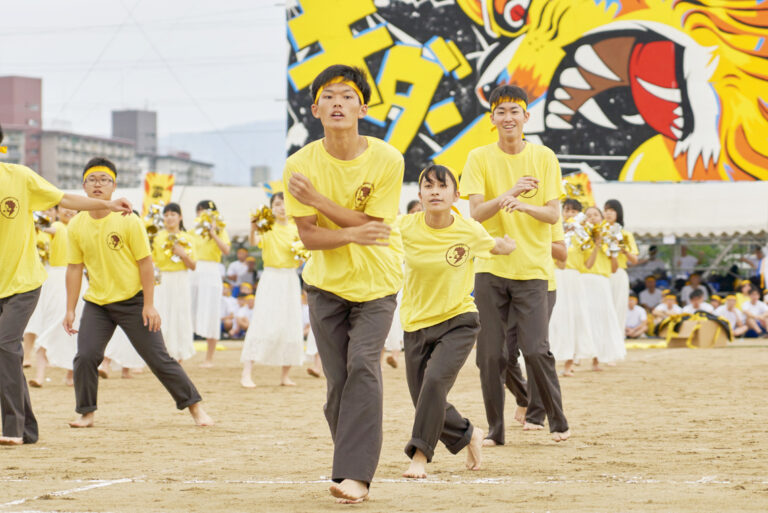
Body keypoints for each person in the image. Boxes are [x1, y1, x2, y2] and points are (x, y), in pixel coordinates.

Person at [283, 64, 404, 503]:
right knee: (337, 384)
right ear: (315, 108)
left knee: (363, 367)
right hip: (325, 287)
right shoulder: (299, 164)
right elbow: (310, 237)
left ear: (362, 107)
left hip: (377, 284)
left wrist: (318, 201)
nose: (338, 103)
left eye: (347, 95)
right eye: (329, 96)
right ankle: (352, 460)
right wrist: (352, 232)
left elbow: (376, 224)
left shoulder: (388, 158)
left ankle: (355, 476)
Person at [0, 129, 133, 446]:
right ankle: (27, 429)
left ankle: (11, 428)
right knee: (6, 353)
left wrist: (109, 205)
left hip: (23, 282)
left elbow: (64, 198)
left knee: (5, 346)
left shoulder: (19, 177)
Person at [63, 158, 212, 429]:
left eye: (104, 180)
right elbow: (74, 268)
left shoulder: (128, 220)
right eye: (92, 179)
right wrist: (70, 309)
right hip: (98, 304)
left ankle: (195, 408)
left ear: (114, 186)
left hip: (133, 301)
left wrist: (149, 304)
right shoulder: (76, 225)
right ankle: (86, 413)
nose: (98, 185)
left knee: (159, 358)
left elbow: (146, 263)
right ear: (83, 186)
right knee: (85, 356)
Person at [459, 83, 569, 447]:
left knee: (536, 348)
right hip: (490, 268)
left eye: (514, 111)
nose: (508, 118)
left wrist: (523, 205)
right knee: (491, 356)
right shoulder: (478, 157)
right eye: (501, 112)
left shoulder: (544, 157)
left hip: (534, 269)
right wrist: (508, 195)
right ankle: (496, 430)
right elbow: (475, 212)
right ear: (492, 119)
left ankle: (557, 419)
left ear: (526, 116)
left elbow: (553, 212)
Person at [398, 164, 516, 479]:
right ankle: (469, 434)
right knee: (425, 398)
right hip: (415, 325)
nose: (435, 191)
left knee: (434, 383)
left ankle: (419, 457)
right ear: (419, 194)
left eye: (442, 186)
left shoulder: (469, 229)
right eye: (428, 186)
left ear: (455, 194)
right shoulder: (403, 227)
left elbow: (494, 247)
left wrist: (505, 246)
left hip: (458, 320)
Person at [241, 192, 305, 388]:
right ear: (272, 207)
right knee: (262, 320)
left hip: (290, 279)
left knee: (291, 323)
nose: (282, 208)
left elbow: (304, 254)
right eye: (277, 204)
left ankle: (285, 375)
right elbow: (253, 243)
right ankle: (247, 372)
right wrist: (252, 228)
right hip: (271, 277)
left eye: (285, 204)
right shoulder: (267, 226)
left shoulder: (297, 228)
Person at [29, 205, 80, 387]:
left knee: (75, 328)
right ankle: (40, 375)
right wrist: (35, 221)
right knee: (51, 324)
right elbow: (45, 228)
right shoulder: (57, 227)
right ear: (57, 212)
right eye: (64, 208)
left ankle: (70, 375)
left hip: (79, 280)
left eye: (71, 209)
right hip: (58, 279)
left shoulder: (81, 229)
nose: (68, 211)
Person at [548, 199, 595, 377]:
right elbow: (559, 263)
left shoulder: (583, 236)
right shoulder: (555, 231)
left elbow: (588, 264)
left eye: (574, 212)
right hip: (556, 276)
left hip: (574, 279)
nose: (569, 214)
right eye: (567, 210)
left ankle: (570, 362)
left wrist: (596, 243)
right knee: (554, 318)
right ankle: (551, 360)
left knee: (575, 318)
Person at [580, 206, 625, 370]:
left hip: (602, 282)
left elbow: (614, 268)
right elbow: (586, 264)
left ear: (601, 217)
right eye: (588, 215)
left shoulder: (611, 236)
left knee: (602, 320)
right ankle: (577, 356)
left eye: (595, 214)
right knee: (584, 319)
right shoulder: (581, 237)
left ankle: (597, 359)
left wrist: (612, 250)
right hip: (584, 280)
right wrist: (596, 244)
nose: (592, 217)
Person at [152, 203, 196, 362]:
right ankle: (161, 353)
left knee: (180, 315)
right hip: (162, 279)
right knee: (161, 314)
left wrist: (183, 254)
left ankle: (178, 353)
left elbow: (193, 266)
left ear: (180, 217)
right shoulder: (156, 237)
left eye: (173, 214)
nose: (169, 218)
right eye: (166, 214)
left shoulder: (188, 238)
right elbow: (152, 261)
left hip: (181, 278)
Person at [190, 200, 231, 367]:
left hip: (212, 270)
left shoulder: (220, 231)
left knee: (212, 313)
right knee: (189, 310)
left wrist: (213, 233)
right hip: (194, 270)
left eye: (209, 211)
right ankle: (181, 354)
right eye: (201, 211)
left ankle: (209, 358)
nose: (205, 214)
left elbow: (226, 250)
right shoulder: (192, 232)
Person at [21, 206, 57, 367]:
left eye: (50, 210)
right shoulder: (34, 230)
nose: (47, 213)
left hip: (53, 277)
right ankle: (27, 355)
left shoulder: (60, 230)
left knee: (52, 316)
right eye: (44, 211)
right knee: (33, 317)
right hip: (34, 276)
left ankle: (48, 353)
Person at [604, 199, 639, 335]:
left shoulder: (625, 235)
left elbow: (634, 259)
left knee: (618, 307)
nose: (608, 213)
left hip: (618, 273)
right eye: (606, 210)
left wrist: (623, 249)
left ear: (618, 213)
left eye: (612, 210)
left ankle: (617, 338)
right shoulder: (599, 232)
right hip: (602, 273)